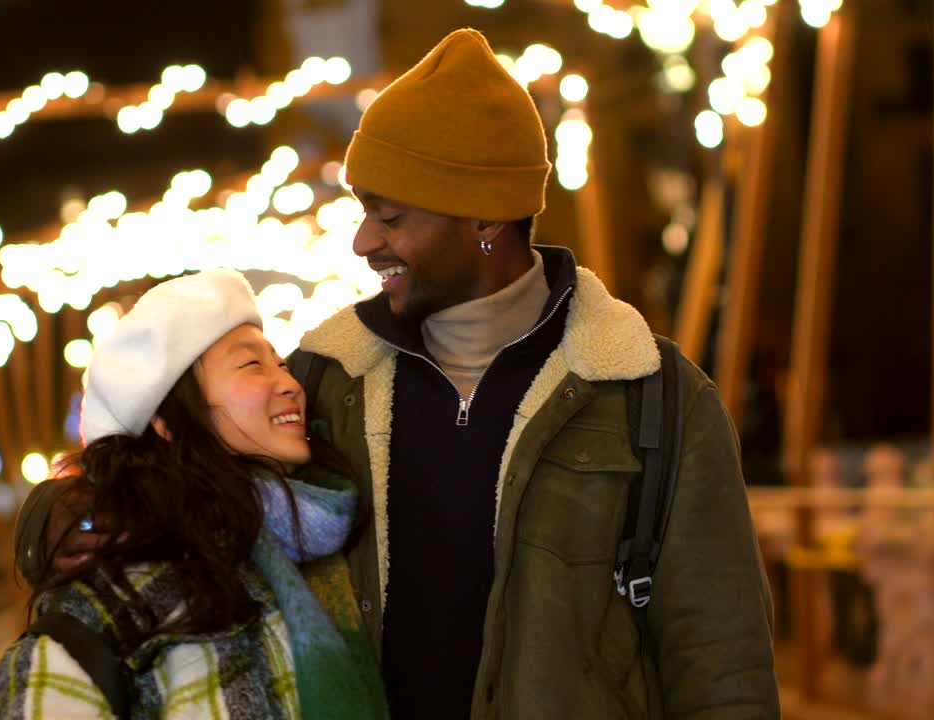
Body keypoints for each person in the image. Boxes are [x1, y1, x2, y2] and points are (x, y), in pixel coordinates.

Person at [286, 28, 780, 719]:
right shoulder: (320, 382)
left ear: (485, 215)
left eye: (390, 216)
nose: (363, 242)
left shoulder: (655, 396)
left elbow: (722, 665)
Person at [0, 269, 388, 719]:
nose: (291, 385)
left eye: (282, 364)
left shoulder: (314, 552)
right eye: (252, 365)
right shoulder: (121, 593)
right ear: (166, 421)